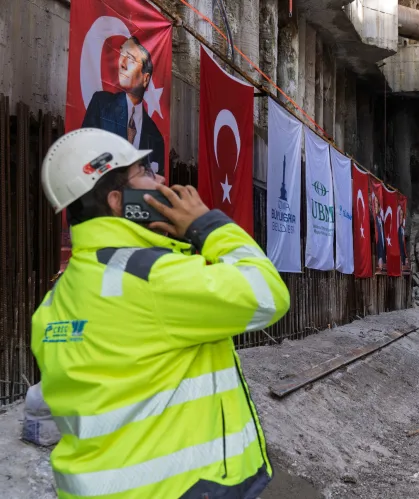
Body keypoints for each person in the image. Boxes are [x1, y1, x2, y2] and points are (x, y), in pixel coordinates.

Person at [31, 128, 290, 498]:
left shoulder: (56, 298)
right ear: (119, 201)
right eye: (146, 172)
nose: (163, 180)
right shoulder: (152, 277)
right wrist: (206, 226)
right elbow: (269, 295)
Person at [82, 36, 166, 175]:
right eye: (121, 54)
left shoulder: (155, 136)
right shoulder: (101, 105)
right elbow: (84, 154)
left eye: (131, 59)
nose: (122, 64)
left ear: (145, 79)